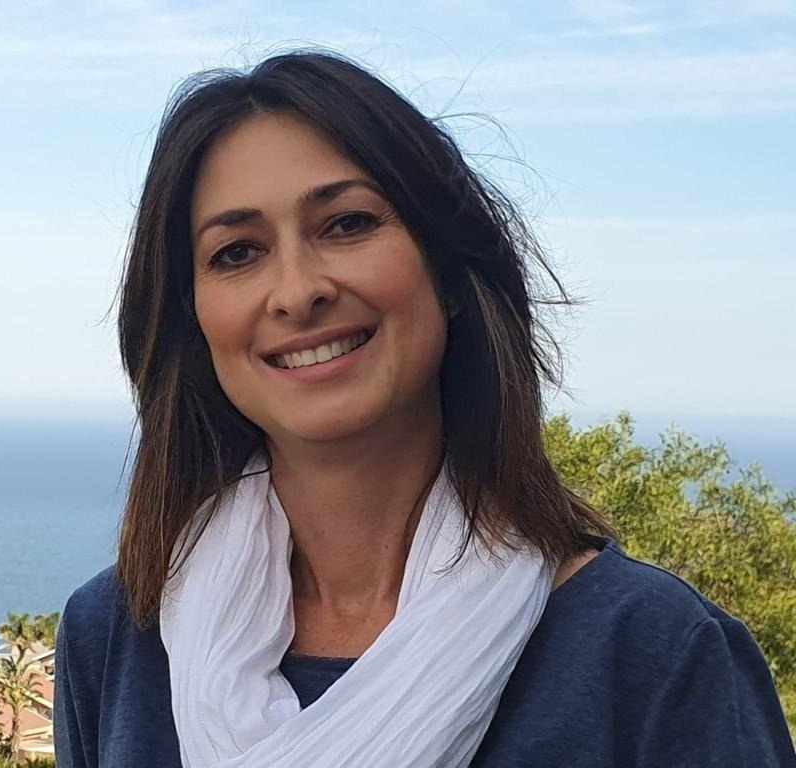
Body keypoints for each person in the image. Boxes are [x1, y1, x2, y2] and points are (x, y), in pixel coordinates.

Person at [55, 50, 796, 767]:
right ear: (191, 321)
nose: (298, 291)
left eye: (347, 224)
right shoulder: (116, 641)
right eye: (237, 253)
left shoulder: (653, 653)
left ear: (447, 269)